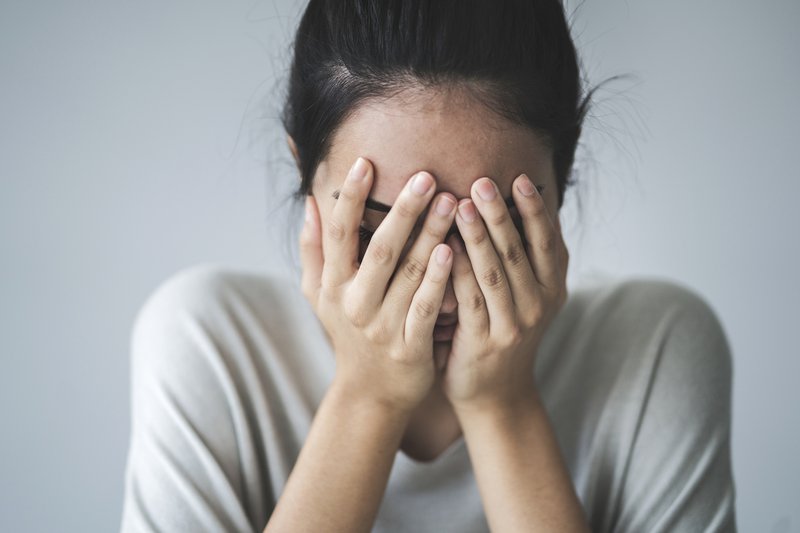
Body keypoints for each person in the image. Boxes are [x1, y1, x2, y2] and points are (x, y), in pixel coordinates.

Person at [119, 1, 738, 531]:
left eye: (494, 230)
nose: (439, 293)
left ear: (562, 178)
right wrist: (367, 397)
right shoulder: (209, 344)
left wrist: (505, 406)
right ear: (305, 173)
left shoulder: (656, 346)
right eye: (383, 230)